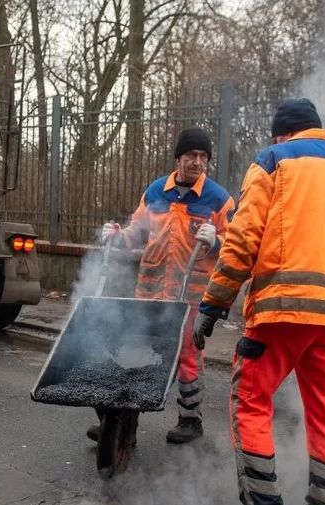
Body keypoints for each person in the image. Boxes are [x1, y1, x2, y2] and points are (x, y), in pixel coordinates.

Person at [192, 98, 325, 505]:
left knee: (251, 404)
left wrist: (214, 304)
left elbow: (241, 238)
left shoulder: (274, 159)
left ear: (283, 133)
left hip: (279, 313)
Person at [94, 126, 236, 444]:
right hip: (149, 292)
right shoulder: (156, 192)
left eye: (203, 157)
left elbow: (239, 244)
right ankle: (123, 420)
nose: (197, 162)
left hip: (191, 298)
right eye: (191, 155)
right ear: (178, 158)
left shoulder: (218, 199)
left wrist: (217, 241)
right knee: (137, 350)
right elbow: (138, 231)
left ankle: (190, 420)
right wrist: (116, 237)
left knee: (188, 355)